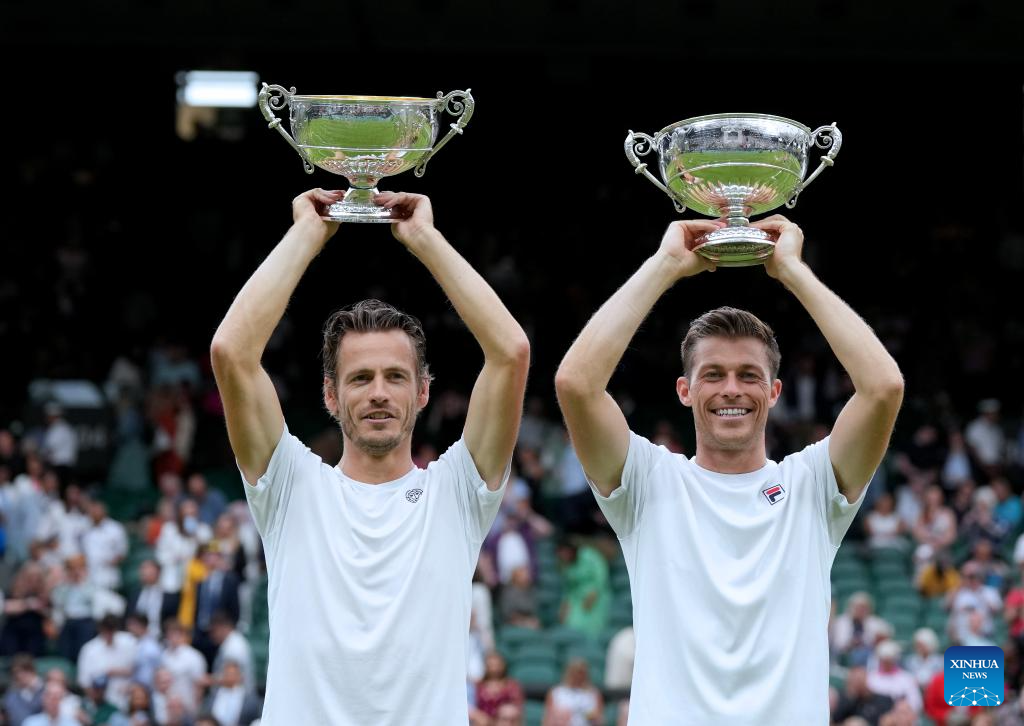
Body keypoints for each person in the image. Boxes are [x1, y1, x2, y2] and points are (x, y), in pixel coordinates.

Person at [554, 215, 904, 725]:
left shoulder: (812, 484)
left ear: (774, 392)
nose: (731, 389)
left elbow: (883, 388)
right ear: (685, 390)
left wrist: (793, 272)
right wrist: (665, 265)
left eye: (749, 375)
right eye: (712, 374)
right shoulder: (650, 482)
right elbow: (577, 383)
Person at [209, 188, 530, 725]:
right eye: (360, 378)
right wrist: (308, 234)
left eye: (395, 377)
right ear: (331, 396)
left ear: (422, 392)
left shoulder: (456, 492)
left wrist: (425, 240)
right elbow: (231, 353)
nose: (378, 392)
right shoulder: (289, 486)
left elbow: (510, 352)